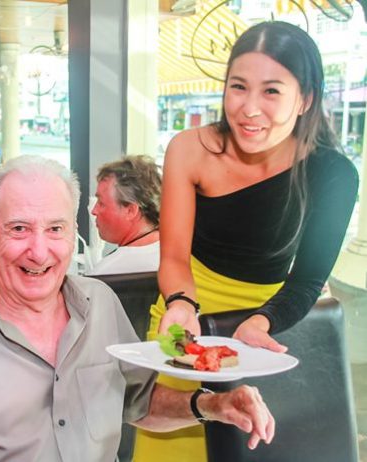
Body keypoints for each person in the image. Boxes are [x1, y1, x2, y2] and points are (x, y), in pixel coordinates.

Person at [0, 156, 274, 461]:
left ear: (74, 233)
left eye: (55, 229)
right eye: (19, 229)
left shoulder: (102, 304)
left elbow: (138, 401)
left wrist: (213, 405)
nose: (39, 252)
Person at [133, 20, 359, 462]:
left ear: (305, 98)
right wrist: (181, 304)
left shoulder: (333, 174)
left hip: (264, 333)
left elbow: (308, 281)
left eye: (271, 91)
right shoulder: (189, 148)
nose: (249, 109)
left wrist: (261, 322)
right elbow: (174, 256)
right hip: (183, 321)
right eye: (238, 87)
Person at [86, 155, 161, 275]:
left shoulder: (104, 274)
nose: (94, 211)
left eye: (101, 203)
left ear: (130, 210)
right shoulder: (182, 256)